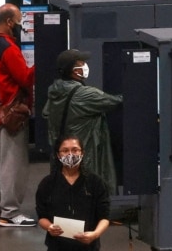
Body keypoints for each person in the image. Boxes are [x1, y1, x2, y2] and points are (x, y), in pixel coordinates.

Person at [0, 3, 37, 227]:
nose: (21, 25)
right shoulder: (8, 48)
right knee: (12, 163)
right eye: (19, 21)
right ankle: (10, 213)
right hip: (11, 114)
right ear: (10, 22)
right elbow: (25, 77)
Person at [42, 48, 123, 194]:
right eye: (82, 63)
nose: (85, 65)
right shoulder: (83, 95)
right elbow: (115, 102)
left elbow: (46, 113)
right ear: (74, 70)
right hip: (84, 152)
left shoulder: (55, 90)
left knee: (66, 185)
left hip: (62, 151)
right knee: (85, 189)